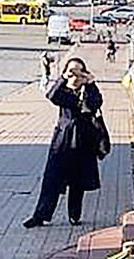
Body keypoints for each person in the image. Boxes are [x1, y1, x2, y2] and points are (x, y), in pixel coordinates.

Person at [23, 57, 109, 228]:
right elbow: (51, 95)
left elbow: (96, 103)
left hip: (84, 142)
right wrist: (62, 78)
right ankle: (41, 215)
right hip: (62, 142)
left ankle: (74, 215)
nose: (75, 77)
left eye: (79, 72)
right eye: (72, 72)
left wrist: (90, 83)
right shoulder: (64, 92)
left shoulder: (88, 91)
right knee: (51, 180)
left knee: (78, 182)